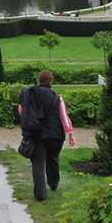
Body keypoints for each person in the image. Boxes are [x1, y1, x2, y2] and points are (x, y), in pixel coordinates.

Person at [18, 70, 75, 201]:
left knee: (38, 163)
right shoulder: (57, 97)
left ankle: (40, 195)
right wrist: (70, 134)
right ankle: (53, 184)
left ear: (38, 80)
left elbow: (22, 110)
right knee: (53, 159)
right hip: (55, 135)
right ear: (51, 81)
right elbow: (64, 117)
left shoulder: (30, 93)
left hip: (36, 134)